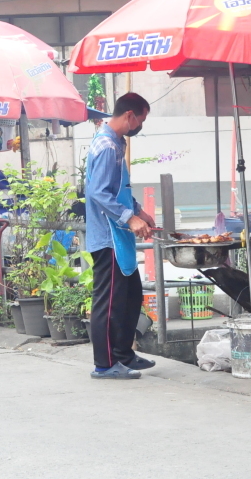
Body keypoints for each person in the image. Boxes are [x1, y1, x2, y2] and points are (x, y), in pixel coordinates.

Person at [86, 92, 156, 380]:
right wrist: (130, 217)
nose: (140, 125)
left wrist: (140, 210)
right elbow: (98, 192)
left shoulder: (116, 142)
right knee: (110, 301)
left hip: (119, 234)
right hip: (107, 236)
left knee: (130, 296)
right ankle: (105, 364)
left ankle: (124, 355)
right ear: (129, 115)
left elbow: (119, 188)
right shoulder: (105, 146)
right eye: (141, 119)